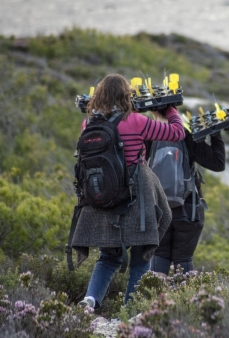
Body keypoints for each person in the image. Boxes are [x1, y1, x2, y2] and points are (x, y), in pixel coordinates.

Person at [72, 73, 185, 309]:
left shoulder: (87, 124)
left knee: (108, 257)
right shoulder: (135, 121)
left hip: (102, 197)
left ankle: (90, 301)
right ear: (127, 95)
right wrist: (171, 109)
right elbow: (177, 133)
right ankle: (131, 308)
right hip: (137, 199)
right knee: (141, 257)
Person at [150, 129, 226, 275]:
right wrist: (215, 134)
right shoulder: (186, 134)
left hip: (157, 210)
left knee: (159, 255)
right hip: (187, 211)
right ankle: (185, 297)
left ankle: (157, 296)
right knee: (183, 259)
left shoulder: (148, 133)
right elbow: (218, 163)